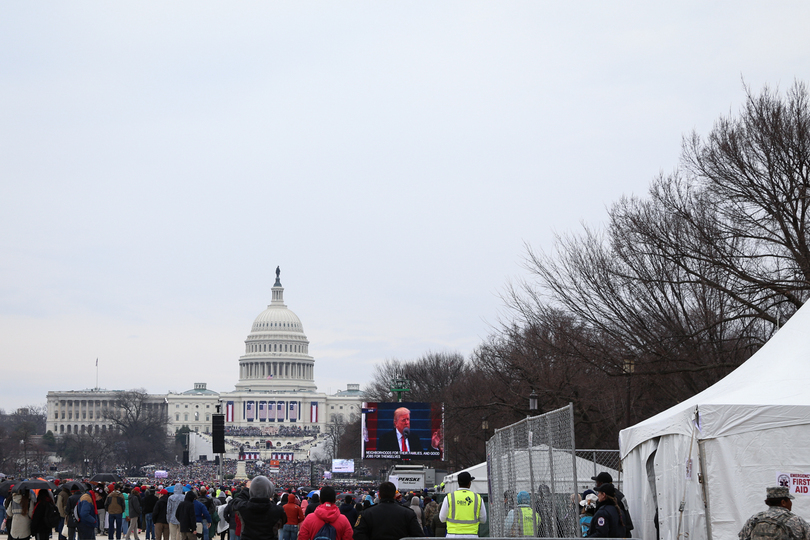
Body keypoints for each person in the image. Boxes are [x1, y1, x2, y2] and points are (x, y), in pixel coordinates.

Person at [354, 482, 423, 540]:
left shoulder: (367, 513)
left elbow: (358, 535)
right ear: (394, 496)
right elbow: (418, 536)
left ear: (379, 495)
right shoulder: (408, 513)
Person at [739, 486, 810, 540]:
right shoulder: (796, 520)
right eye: (789, 500)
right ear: (783, 502)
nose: (791, 503)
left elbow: (742, 537)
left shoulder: (754, 519)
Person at [439, 472, 486, 538]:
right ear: (469, 483)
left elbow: (442, 518)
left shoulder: (449, 497)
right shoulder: (478, 498)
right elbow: (483, 519)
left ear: (458, 483)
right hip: (472, 535)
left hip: (453, 535)